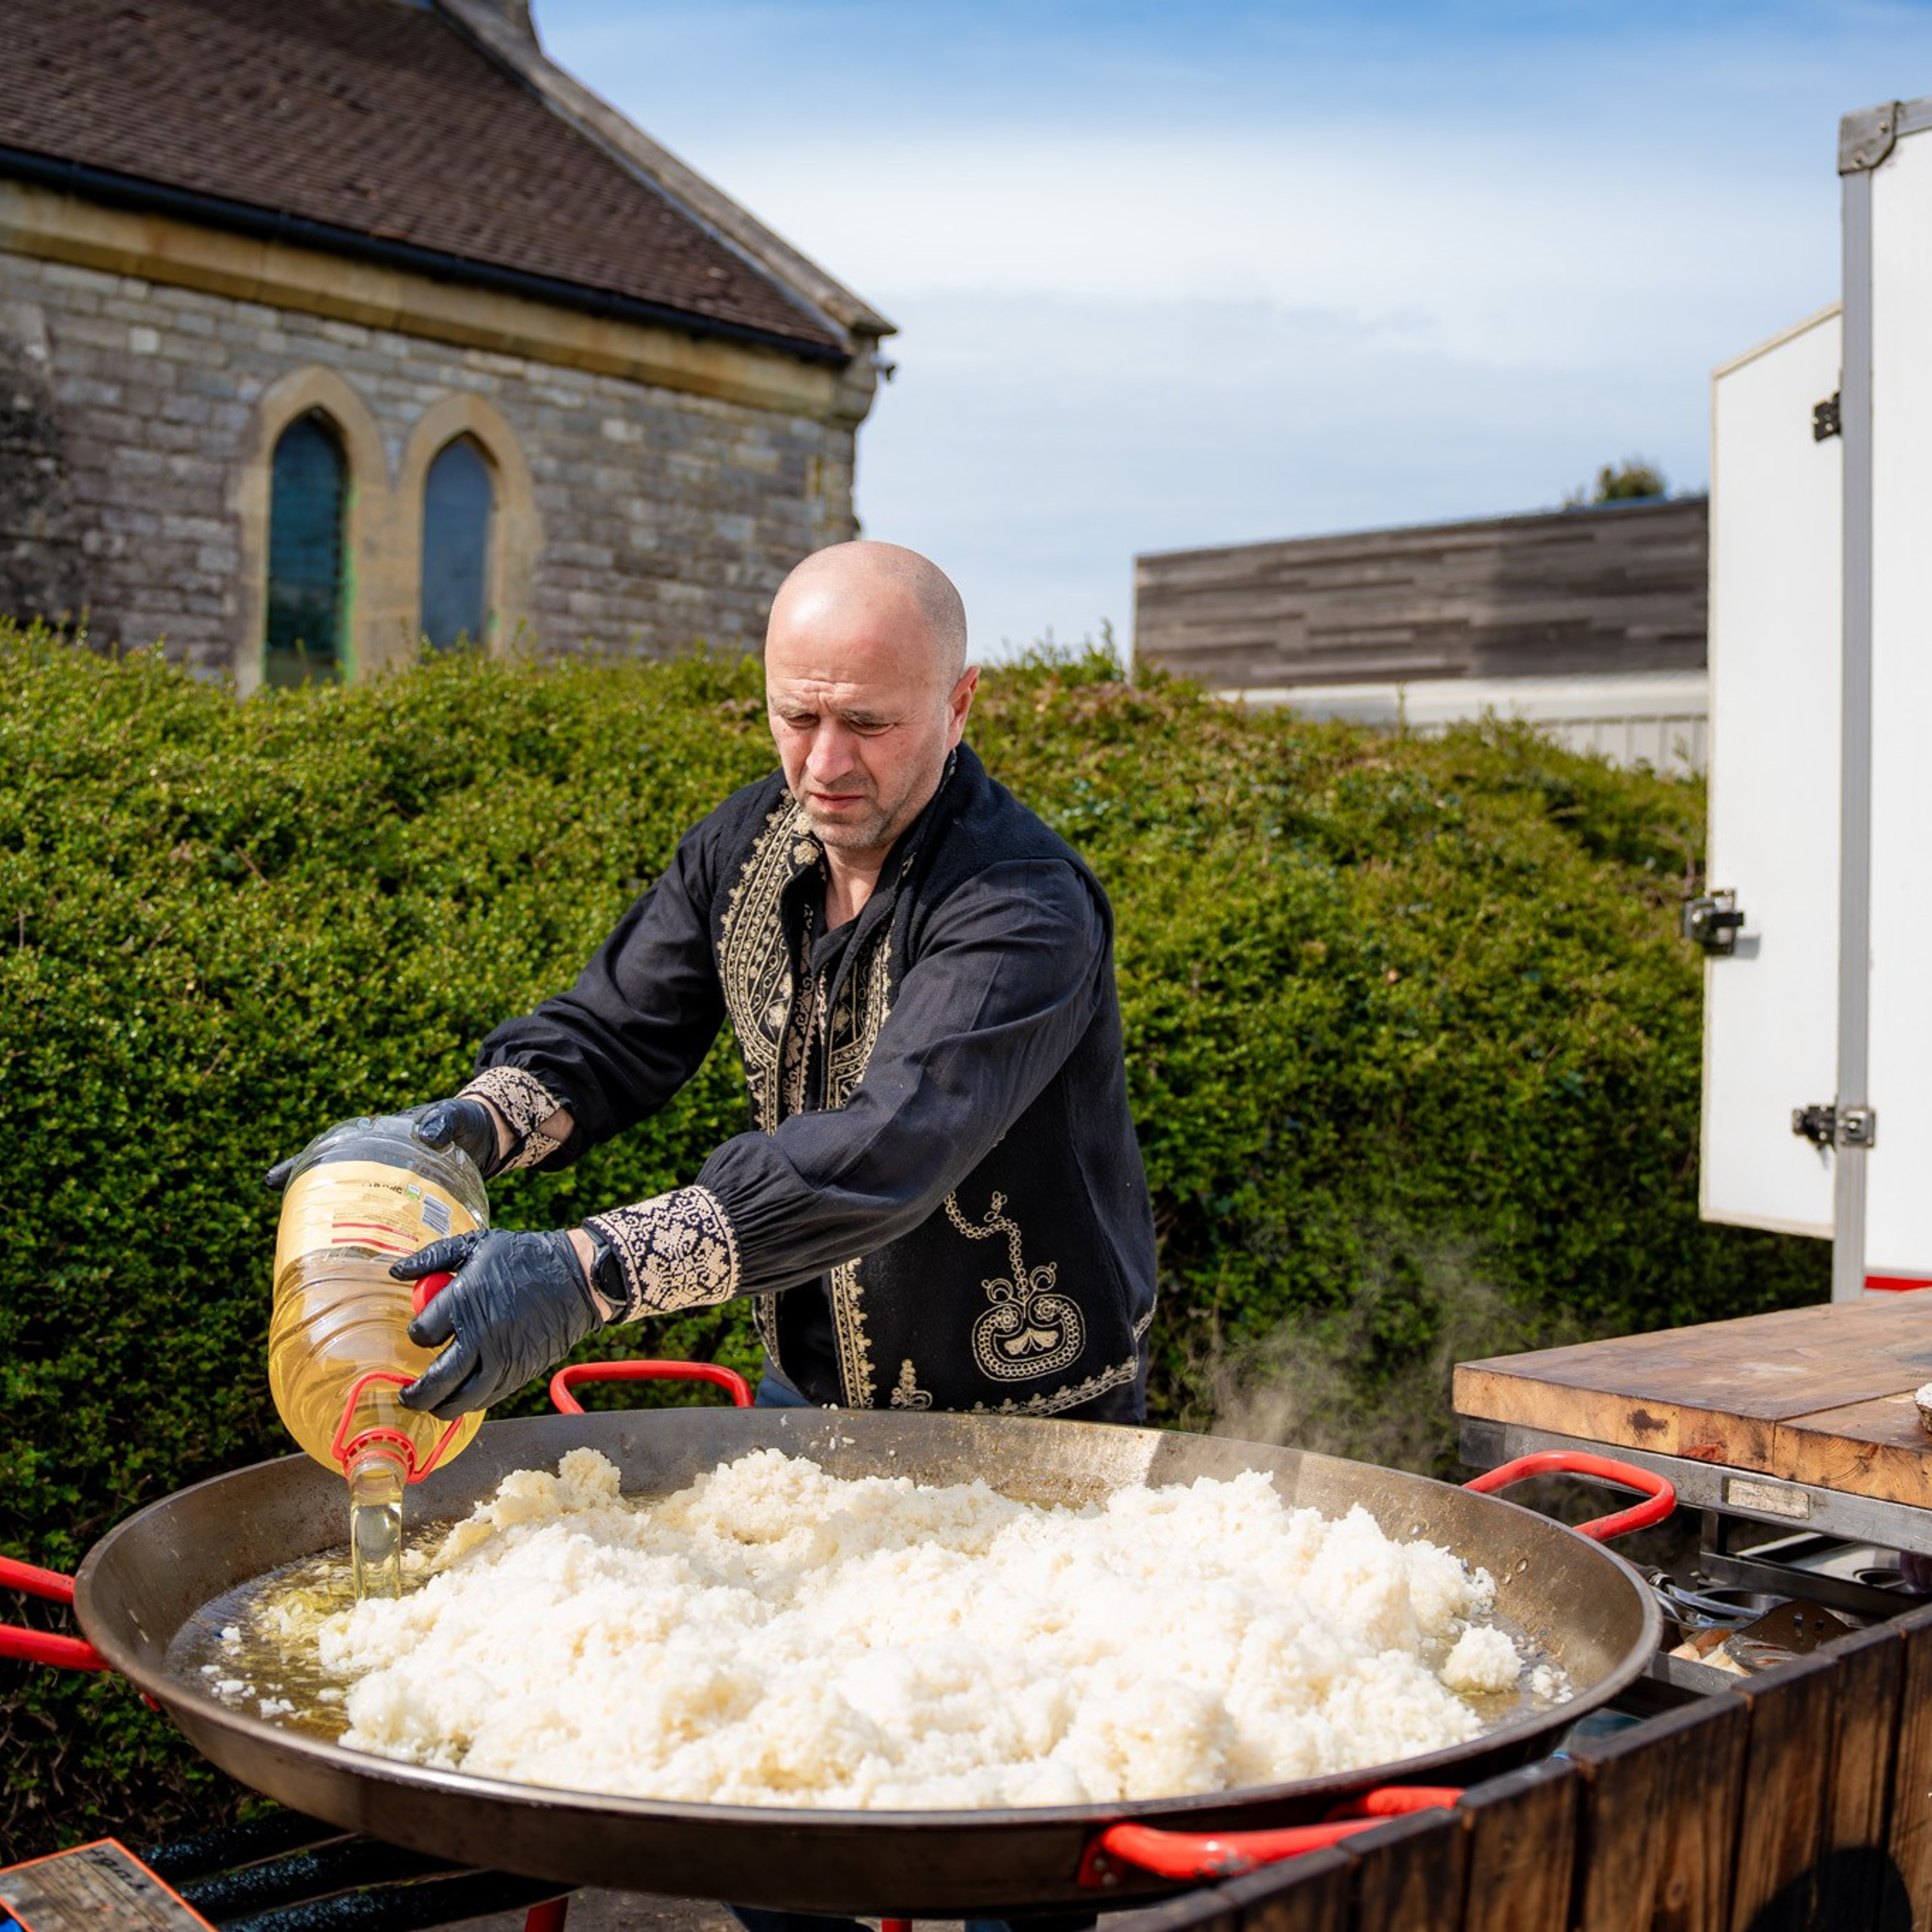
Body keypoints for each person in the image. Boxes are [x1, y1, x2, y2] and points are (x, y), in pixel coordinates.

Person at [275, 538, 1158, 1429]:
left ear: (958, 704)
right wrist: (472, 1128)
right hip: (802, 1388)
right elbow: (618, 1031)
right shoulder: (744, 841)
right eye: (797, 716)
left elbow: (893, 1143)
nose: (824, 765)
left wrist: (587, 1272)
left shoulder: (1023, 904)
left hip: (1027, 1411)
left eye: (867, 723)